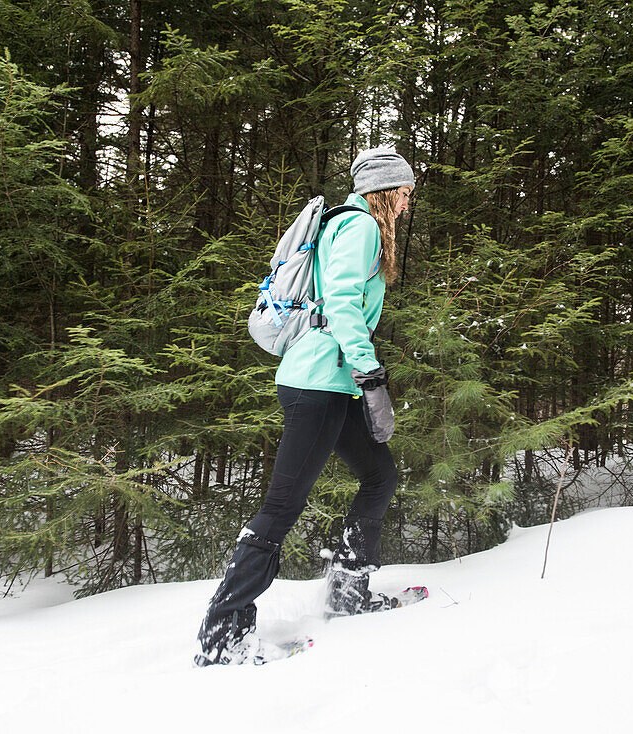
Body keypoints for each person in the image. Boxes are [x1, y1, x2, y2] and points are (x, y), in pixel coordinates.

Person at [196, 148, 415, 666]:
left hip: (329, 382)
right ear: (385, 191)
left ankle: (347, 590)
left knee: (380, 474)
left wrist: (358, 379)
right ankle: (221, 636)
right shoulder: (360, 227)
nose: (408, 203)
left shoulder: (346, 223)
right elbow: (340, 302)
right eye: (405, 192)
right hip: (319, 381)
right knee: (281, 507)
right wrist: (370, 372)